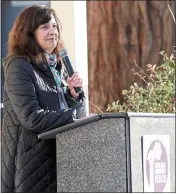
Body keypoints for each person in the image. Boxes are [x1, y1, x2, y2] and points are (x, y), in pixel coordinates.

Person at [1, 4, 86, 193]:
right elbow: (31, 117)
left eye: (54, 26)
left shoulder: (57, 67)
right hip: (28, 167)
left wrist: (74, 96)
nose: (52, 31)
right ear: (28, 33)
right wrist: (74, 117)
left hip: (59, 161)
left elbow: (76, 113)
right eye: (45, 27)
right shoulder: (19, 67)